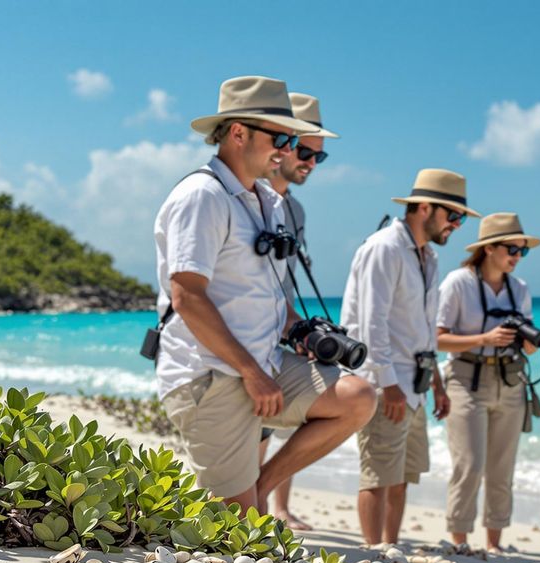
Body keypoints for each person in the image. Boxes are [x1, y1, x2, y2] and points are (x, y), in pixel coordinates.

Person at [153, 76, 376, 512]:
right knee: (235, 529)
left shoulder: (269, 204)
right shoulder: (201, 196)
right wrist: (251, 372)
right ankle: (245, 500)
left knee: (358, 398)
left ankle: (262, 486)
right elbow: (187, 296)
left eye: (291, 139)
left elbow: (271, 298)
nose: (287, 149)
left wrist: (303, 333)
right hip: (210, 375)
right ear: (238, 133)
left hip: (264, 366)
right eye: (281, 136)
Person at [340, 169, 478, 546]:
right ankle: (373, 551)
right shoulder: (384, 248)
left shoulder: (427, 256)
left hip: (413, 381)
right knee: (378, 473)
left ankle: (390, 547)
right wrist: (390, 384)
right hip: (385, 381)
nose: (457, 225)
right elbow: (371, 323)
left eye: (461, 218)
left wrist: (435, 380)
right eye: (453, 216)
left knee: (401, 474)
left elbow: (423, 326)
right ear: (423, 208)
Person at [436, 212, 540, 553]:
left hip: (510, 379)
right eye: (512, 249)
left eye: (522, 251)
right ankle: (460, 540)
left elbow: (526, 338)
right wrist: (486, 338)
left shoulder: (519, 288)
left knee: (502, 466)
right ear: (489, 249)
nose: (516, 257)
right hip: (465, 377)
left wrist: (524, 341)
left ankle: (495, 542)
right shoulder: (458, 282)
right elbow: (436, 338)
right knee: (469, 463)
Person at [259, 91, 339, 530]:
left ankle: (276, 505)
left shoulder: (295, 209)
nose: (308, 161)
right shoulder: (244, 196)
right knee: (258, 429)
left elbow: (285, 281)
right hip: (249, 336)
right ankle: (256, 503)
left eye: (318, 157)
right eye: (304, 150)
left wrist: (301, 331)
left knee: (292, 419)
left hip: (281, 327)